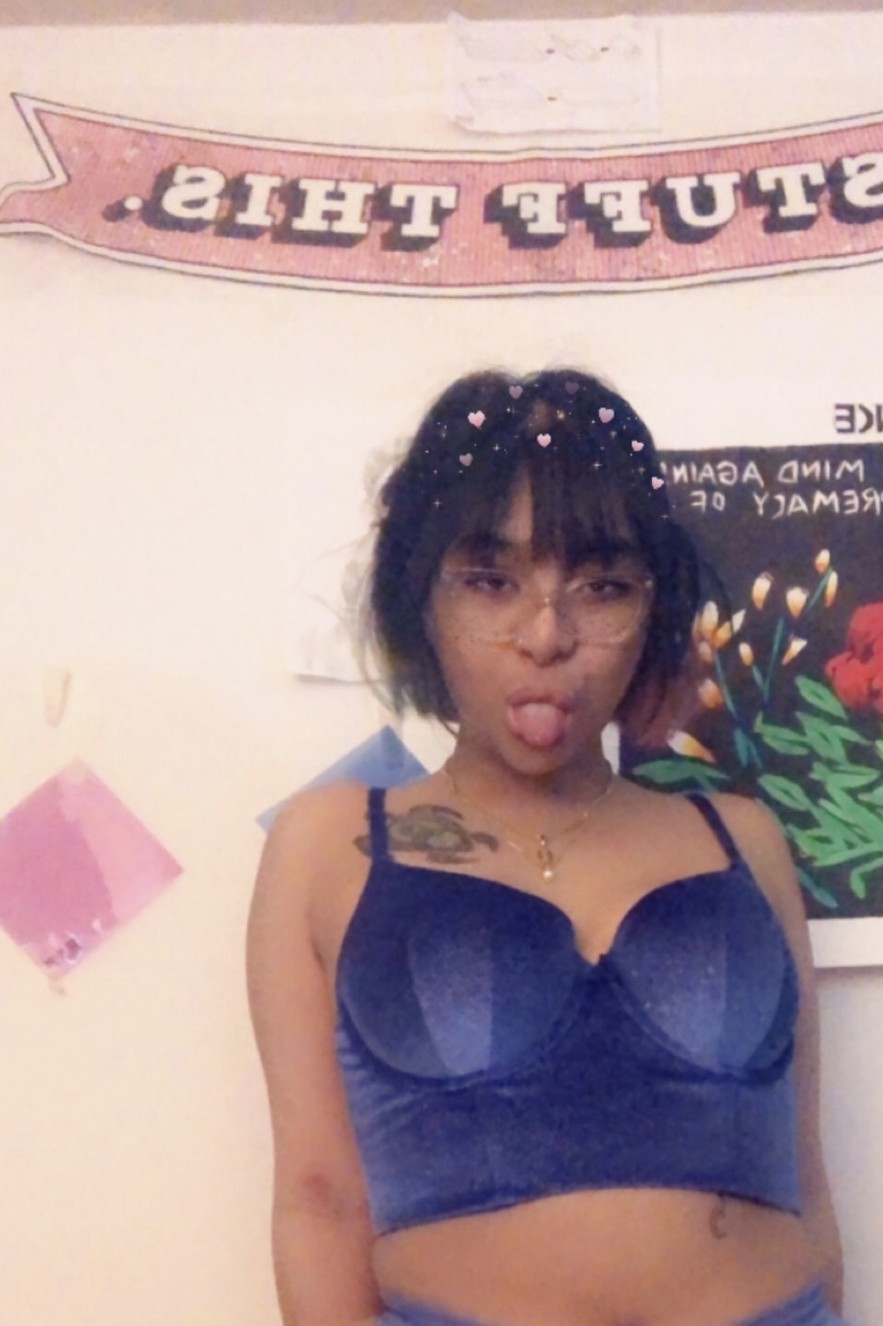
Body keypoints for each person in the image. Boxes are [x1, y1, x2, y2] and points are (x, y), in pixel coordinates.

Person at [246, 368, 848, 1326]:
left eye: (601, 587)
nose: (546, 635)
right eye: (491, 581)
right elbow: (319, 1200)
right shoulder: (331, 844)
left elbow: (806, 1181)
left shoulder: (741, 840)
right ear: (421, 596)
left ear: (652, 605)